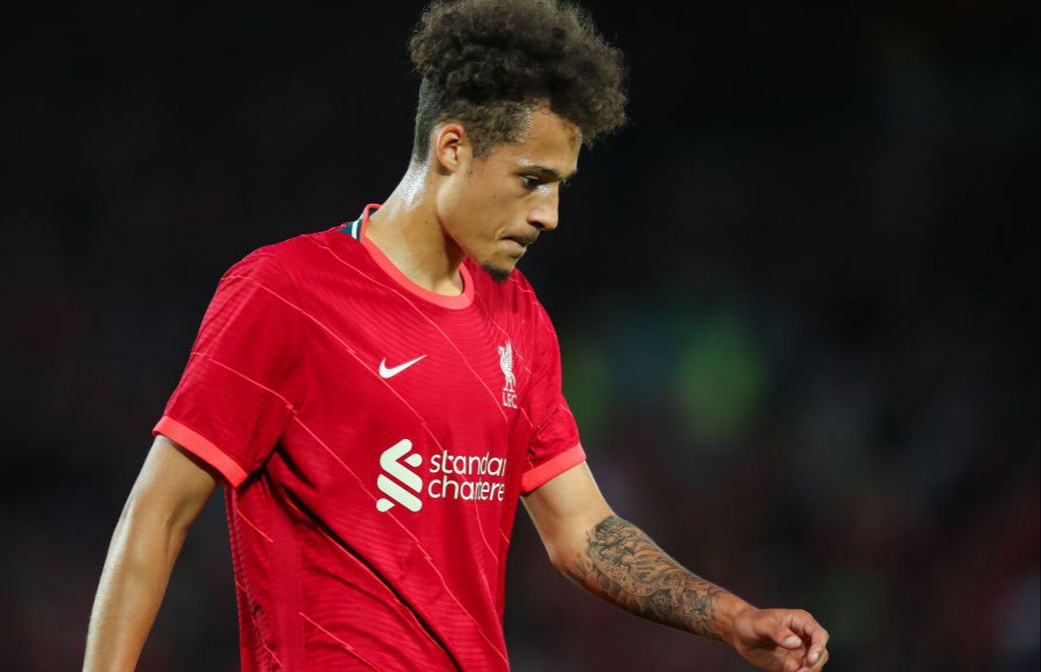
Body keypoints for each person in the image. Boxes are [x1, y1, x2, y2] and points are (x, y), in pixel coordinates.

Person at [84, 1, 830, 670]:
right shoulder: (286, 292)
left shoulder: (518, 318)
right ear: (451, 148)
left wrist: (732, 618)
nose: (550, 215)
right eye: (532, 179)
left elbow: (583, 531)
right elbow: (159, 512)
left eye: (560, 185)